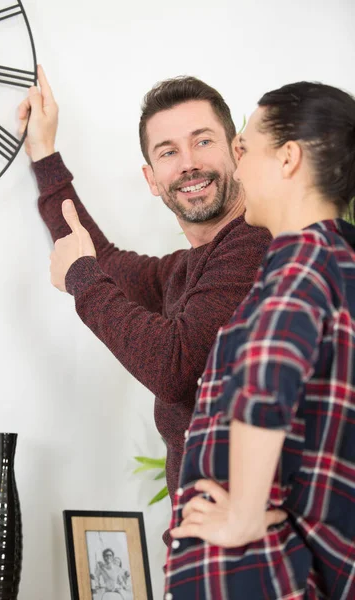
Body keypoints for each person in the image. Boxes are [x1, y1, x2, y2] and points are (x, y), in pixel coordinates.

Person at [19, 68, 271, 544]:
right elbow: (104, 259)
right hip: (207, 549)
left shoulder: (255, 245)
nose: (189, 164)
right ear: (152, 179)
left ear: (236, 152)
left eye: (203, 142)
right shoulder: (186, 270)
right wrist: (44, 152)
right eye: (169, 152)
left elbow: (175, 366)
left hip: (249, 554)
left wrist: (80, 278)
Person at [165, 81, 355, 599]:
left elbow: (266, 383)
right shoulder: (340, 264)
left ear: (289, 158)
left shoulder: (299, 268)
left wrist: (243, 518)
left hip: (255, 572)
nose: (236, 165)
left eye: (244, 147)